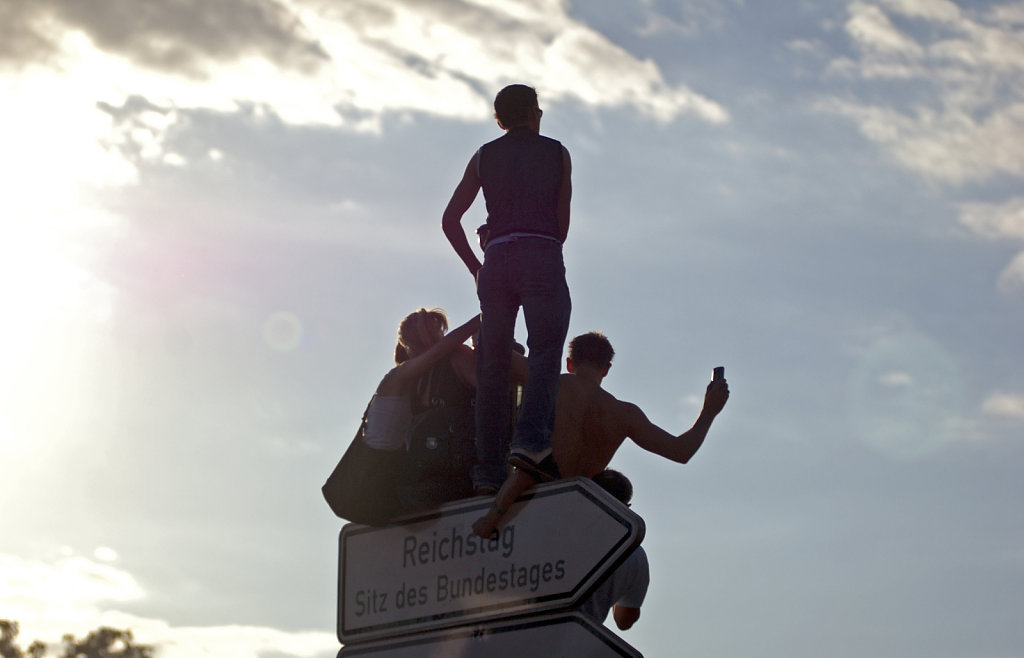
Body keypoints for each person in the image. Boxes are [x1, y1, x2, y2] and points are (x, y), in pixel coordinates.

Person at [442, 83, 573, 495]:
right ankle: (532, 443)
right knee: (546, 352)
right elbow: (561, 226)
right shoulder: (557, 153)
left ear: (498, 119)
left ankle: (488, 469)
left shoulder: (483, 157)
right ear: (535, 113)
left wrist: (476, 265)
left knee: (492, 365)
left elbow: (450, 219)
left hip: (496, 260)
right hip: (542, 252)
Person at [473, 331, 730, 537]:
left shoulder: (551, 382)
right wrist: (709, 411)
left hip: (525, 504)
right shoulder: (624, 414)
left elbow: (492, 349)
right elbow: (681, 451)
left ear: (569, 362)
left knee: (527, 467)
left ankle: (491, 519)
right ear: (606, 368)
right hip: (576, 513)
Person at [322, 309, 480, 524]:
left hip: (393, 469)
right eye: (434, 334)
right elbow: (440, 351)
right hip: (377, 472)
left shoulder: (419, 386)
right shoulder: (397, 378)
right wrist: (484, 314)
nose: (439, 339)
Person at [578, 469, 649, 631]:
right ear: (626, 507)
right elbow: (624, 621)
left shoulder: (564, 529)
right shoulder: (634, 554)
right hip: (580, 641)